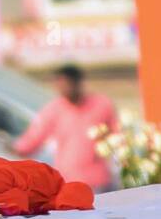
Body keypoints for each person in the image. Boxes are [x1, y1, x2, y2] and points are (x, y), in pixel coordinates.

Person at [13, 63, 120, 191]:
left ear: (77, 83)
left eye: (66, 84)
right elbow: (34, 137)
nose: (62, 89)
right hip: (68, 182)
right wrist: (16, 148)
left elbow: (117, 135)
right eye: (59, 85)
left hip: (99, 181)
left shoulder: (101, 105)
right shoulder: (54, 109)